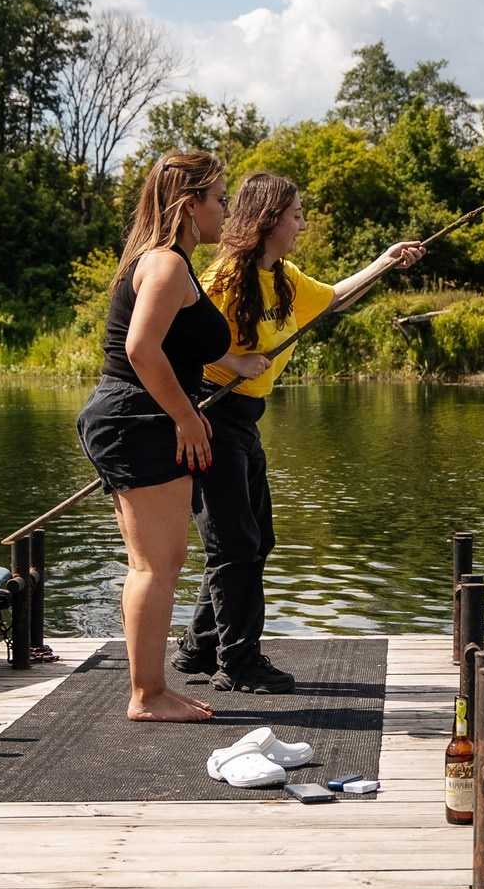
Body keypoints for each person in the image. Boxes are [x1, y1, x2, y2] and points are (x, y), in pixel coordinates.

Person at [174, 171, 424, 691]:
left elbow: (333, 298)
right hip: (210, 416)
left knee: (253, 538)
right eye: (296, 216)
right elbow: (177, 343)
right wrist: (229, 366)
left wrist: (384, 262)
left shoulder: (283, 277)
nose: (303, 225)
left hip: (246, 420)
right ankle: (238, 663)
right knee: (234, 544)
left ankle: (200, 648)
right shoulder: (221, 280)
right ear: (268, 221)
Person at [75, 150, 269, 722]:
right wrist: (187, 417)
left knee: (163, 559)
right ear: (191, 206)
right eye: (220, 199)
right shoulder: (164, 263)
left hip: (137, 415)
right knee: (154, 565)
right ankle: (146, 696)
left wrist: (234, 358)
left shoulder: (169, 263)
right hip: (137, 418)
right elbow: (140, 350)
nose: (227, 210)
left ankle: (153, 687)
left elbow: (179, 339)